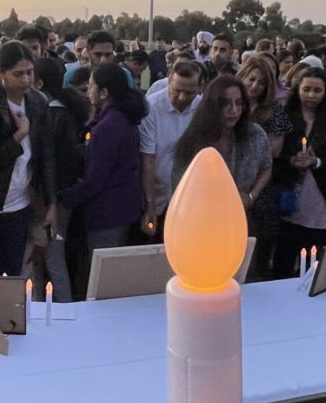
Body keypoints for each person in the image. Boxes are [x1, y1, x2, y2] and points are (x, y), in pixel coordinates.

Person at [59, 62, 148, 298]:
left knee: (102, 278)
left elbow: (95, 180)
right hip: (123, 206)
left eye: (90, 87)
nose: (88, 92)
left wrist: (62, 198)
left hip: (107, 212)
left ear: (104, 92)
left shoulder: (108, 127)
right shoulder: (123, 119)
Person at [271, 67, 326, 278]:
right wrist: (291, 160)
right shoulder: (284, 115)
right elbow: (271, 155)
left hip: (321, 199)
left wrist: (318, 162)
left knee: (314, 265)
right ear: (297, 89)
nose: (311, 95)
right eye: (306, 89)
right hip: (289, 197)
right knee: (283, 260)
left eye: (317, 90)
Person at [0, 42, 57, 276]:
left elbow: (46, 155)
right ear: (0, 72)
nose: (25, 79)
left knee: (13, 271)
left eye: (29, 72)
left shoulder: (38, 101)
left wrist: (51, 203)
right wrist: (19, 136)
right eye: (18, 74)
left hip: (20, 201)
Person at [171, 75, 272, 237]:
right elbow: (180, 186)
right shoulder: (195, 140)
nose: (234, 110)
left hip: (242, 220)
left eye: (239, 103)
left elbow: (266, 166)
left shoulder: (256, 135)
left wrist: (252, 196)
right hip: (202, 224)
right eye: (226, 103)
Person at [30, 58, 86, 302]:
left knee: (49, 258)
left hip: (52, 198)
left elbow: (49, 161)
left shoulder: (50, 114)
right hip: (66, 194)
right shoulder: (70, 109)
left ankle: (56, 310)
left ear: (39, 82)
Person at [236, 57, 291, 279]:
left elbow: (274, 151)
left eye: (262, 83)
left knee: (254, 241)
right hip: (229, 178)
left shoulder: (274, 110)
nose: (255, 86)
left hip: (260, 182)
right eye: (251, 79)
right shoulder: (230, 102)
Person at [139, 59, 204, 243]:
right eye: (177, 91)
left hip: (188, 197)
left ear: (200, 87)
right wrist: (150, 206)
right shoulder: (151, 107)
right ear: (169, 81)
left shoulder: (201, 107)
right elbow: (148, 159)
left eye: (189, 92)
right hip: (157, 193)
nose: (182, 97)